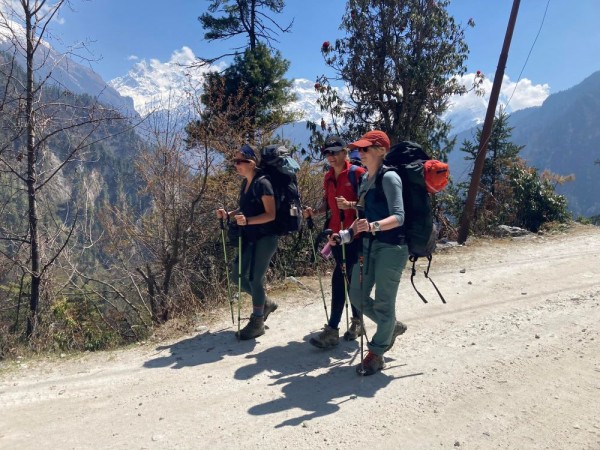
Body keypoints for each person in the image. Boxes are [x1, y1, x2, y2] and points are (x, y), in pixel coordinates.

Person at [336, 130, 409, 376]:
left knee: (384, 303)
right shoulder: (367, 178)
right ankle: (390, 327)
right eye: (359, 149)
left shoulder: (390, 178)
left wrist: (374, 226)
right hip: (369, 245)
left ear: (380, 150)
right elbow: (366, 213)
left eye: (365, 149)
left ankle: (377, 353)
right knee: (356, 295)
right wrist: (345, 234)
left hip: (392, 247)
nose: (360, 153)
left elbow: (399, 217)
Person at [303, 136, 366, 349]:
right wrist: (315, 211)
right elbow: (328, 205)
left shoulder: (358, 174)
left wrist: (350, 205)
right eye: (327, 153)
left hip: (356, 235)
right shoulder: (328, 177)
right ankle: (351, 324)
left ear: (345, 152)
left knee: (348, 279)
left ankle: (338, 328)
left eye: (335, 152)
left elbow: (371, 205)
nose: (331, 156)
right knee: (343, 278)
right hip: (336, 236)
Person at [216, 144, 279, 340]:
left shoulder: (264, 184)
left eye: (239, 161)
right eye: (235, 161)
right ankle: (265, 303)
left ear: (251, 163)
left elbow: (271, 214)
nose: (236, 165)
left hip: (266, 238)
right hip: (250, 237)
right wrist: (229, 214)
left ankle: (257, 321)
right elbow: (246, 208)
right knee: (236, 276)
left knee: (255, 279)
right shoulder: (246, 183)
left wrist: (248, 221)